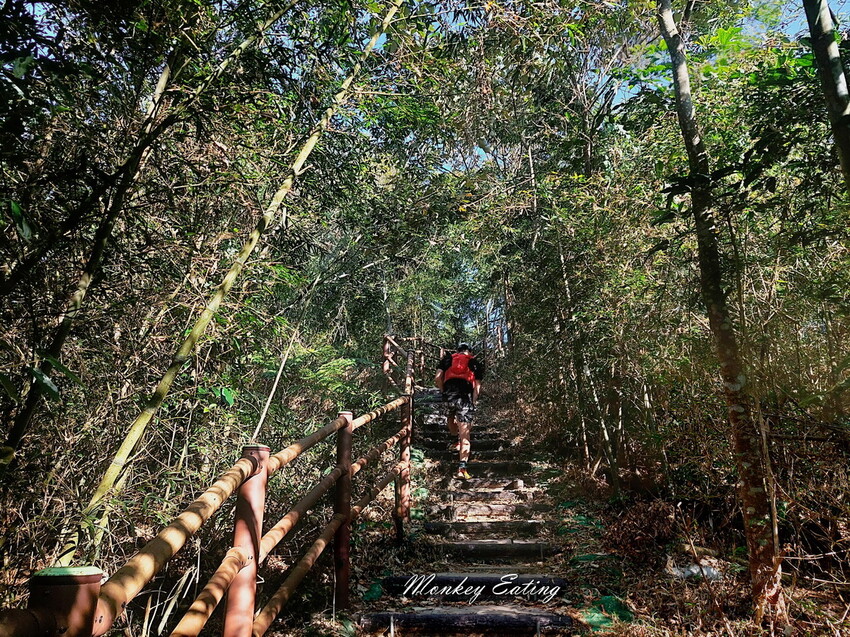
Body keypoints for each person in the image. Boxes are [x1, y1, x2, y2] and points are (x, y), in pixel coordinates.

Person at [434, 342, 484, 479]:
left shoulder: (447, 359)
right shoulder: (474, 362)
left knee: (450, 417)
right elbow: (477, 387)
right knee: (465, 435)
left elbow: (438, 377)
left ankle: (454, 440)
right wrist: (473, 401)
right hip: (465, 398)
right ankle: (462, 468)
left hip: (449, 396)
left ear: (458, 351)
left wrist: (443, 391)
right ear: (469, 351)